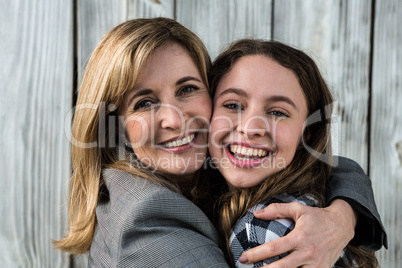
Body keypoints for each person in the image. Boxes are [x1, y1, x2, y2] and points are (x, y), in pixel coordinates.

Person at [53, 18, 386, 267]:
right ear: (116, 125)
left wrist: (344, 215)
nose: (175, 119)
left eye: (186, 89)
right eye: (144, 103)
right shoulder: (148, 217)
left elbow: (337, 166)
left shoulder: (213, 177)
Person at [208, 39, 380, 267]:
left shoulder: (263, 232)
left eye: (277, 112)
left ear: (307, 134)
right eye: (233, 105)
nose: (250, 128)